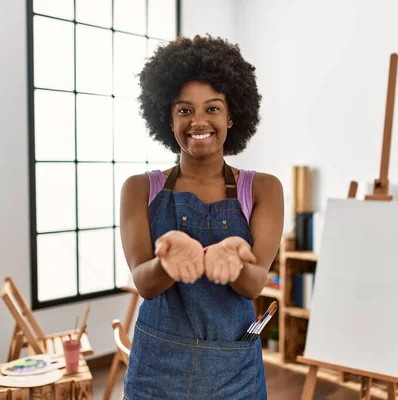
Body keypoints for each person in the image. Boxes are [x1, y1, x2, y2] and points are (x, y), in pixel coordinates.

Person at [119, 34, 284, 399]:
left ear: (231, 114)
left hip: (232, 372)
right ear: (167, 116)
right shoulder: (139, 189)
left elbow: (254, 284)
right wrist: (168, 263)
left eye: (212, 108)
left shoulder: (263, 189)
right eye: (184, 110)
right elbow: (144, 283)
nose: (198, 121)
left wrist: (235, 263)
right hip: (155, 369)